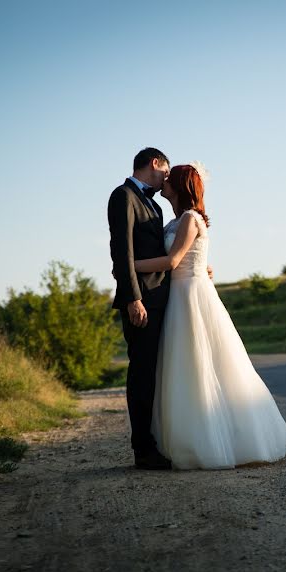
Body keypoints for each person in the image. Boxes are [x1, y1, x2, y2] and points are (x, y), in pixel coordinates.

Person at [134, 163, 286, 469]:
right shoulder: (173, 221)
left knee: (206, 365)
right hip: (179, 296)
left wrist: (130, 265)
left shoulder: (190, 218)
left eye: (170, 179)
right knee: (185, 368)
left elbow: (172, 261)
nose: (164, 182)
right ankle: (189, 440)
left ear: (180, 186)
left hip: (193, 297)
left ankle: (219, 442)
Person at [107, 147, 173, 470]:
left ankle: (155, 441)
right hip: (141, 302)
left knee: (155, 372)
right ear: (155, 163)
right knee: (142, 373)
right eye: (165, 172)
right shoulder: (123, 196)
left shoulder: (155, 206)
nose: (166, 179)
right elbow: (122, 251)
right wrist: (133, 297)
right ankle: (143, 451)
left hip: (161, 299)